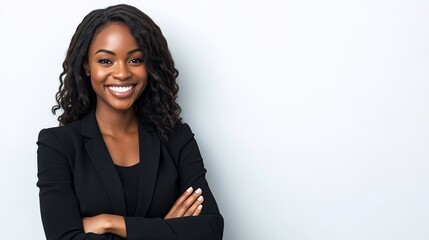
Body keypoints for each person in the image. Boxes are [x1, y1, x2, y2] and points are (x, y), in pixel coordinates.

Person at [36, 4, 223, 240]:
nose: (122, 73)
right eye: (106, 61)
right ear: (86, 66)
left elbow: (211, 230)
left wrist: (111, 223)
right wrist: (163, 230)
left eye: (135, 60)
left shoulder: (177, 139)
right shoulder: (58, 145)